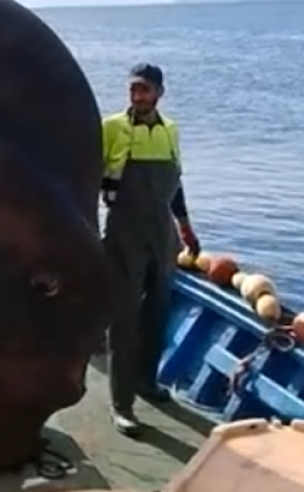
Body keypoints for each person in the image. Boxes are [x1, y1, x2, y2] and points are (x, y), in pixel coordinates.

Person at [100, 62, 201, 436]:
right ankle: (121, 404)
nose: (136, 96)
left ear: (159, 92)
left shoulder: (170, 131)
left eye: (143, 89)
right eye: (132, 89)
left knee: (157, 314)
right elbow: (88, 178)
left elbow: (176, 188)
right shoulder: (111, 129)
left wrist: (186, 230)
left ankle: (146, 381)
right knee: (124, 320)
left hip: (162, 236)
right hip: (124, 233)